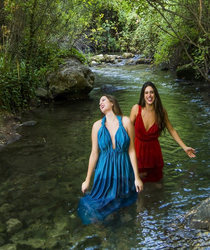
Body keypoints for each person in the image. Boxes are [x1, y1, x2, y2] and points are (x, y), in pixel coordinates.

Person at [78, 94, 143, 224]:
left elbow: (131, 150)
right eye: (99, 103)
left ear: (112, 102)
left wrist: (137, 177)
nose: (100, 103)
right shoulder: (97, 126)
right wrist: (87, 180)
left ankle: (125, 234)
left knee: (124, 202)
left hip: (123, 168)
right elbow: (94, 154)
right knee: (102, 204)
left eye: (103, 100)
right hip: (104, 169)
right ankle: (105, 236)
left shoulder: (126, 122)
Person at [130, 81, 196, 183]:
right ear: (143, 95)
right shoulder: (136, 109)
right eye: (146, 92)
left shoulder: (161, 111)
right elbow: (127, 131)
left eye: (151, 92)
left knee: (157, 185)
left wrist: (185, 147)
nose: (149, 95)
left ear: (155, 94)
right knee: (137, 185)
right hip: (138, 153)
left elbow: (172, 130)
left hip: (154, 155)